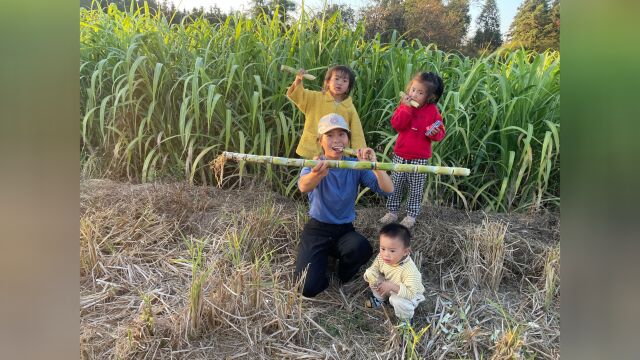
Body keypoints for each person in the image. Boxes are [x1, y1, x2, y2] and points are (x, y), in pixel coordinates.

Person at [295, 113, 393, 297]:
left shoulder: (355, 166)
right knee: (307, 288)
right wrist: (318, 174)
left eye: (341, 134)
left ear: (348, 139)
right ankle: (321, 261)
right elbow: (303, 186)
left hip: (344, 230)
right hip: (317, 230)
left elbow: (388, 190)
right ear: (320, 141)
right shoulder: (315, 163)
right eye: (330, 135)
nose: (336, 140)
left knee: (361, 248)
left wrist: (374, 165)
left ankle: (343, 273)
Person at [379, 72, 446, 228]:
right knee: (395, 185)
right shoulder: (404, 106)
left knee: (415, 189)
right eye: (413, 90)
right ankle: (392, 211)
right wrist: (406, 108)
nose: (414, 94)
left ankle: (411, 215)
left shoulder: (433, 112)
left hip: (419, 158)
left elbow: (440, 132)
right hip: (400, 154)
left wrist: (435, 133)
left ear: (430, 97)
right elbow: (397, 125)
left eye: (420, 92)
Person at [286, 65, 367, 159]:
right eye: (336, 79)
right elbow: (298, 95)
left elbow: (357, 131)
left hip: (337, 151)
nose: (340, 83)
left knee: (334, 172)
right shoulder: (315, 98)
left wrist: (361, 152)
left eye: (344, 81)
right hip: (313, 150)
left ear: (348, 87)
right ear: (328, 82)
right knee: (312, 173)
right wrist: (298, 79)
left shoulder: (349, 106)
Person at [363, 223, 425, 324]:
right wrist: (371, 277)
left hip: (407, 293)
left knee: (398, 301)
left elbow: (410, 293)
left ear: (405, 251)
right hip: (388, 285)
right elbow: (374, 268)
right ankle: (379, 298)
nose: (386, 254)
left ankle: (406, 320)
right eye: (383, 248)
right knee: (371, 274)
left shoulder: (410, 270)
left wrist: (392, 286)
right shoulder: (381, 257)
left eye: (392, 251)